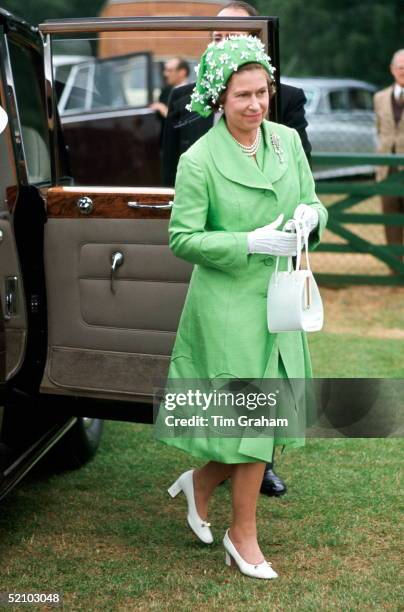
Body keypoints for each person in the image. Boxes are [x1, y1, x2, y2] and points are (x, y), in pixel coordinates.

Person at [155, 35, 327, 579]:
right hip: (227, 305)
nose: (255, 106)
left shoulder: (286, 142)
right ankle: (242, 534)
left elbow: (314, 201)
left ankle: (202, 482)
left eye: (262, 93)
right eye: (242, 96)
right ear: (217, 100)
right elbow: (182, 239)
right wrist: (248, 243)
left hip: (278, 300)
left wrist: (308, 222)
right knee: (256, 419)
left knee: (259, 419)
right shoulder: (199, 159)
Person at [374, 49, 404, 261]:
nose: (403, 71)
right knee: (390, 216)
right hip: (387, 169)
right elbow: (379, 130)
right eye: (400, 67)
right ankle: (395, 264)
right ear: (392, 70)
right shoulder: (379, 97)